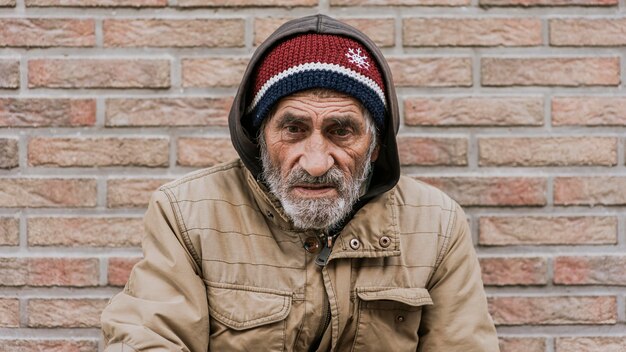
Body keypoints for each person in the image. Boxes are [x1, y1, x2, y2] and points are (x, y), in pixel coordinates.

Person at [101, 14, 499, 352]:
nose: (314, 162)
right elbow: (145, 338)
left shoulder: (437, 225)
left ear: (375, 146)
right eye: (292, 128)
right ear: (259, 136)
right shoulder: (187, 212)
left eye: (341, 131)